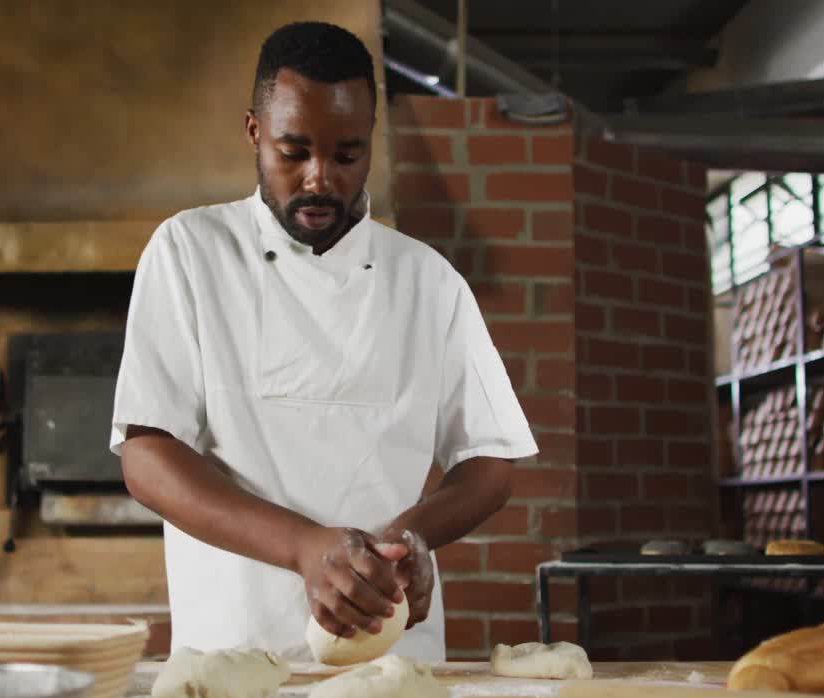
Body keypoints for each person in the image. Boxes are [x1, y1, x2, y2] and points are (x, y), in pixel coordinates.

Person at [110, 20, 537, 663]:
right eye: (293, 151)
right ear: (255, 131)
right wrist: (305, 547)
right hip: (235, 656)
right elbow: (146, 455)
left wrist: (409, 541)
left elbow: (490, 460)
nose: (320, 179)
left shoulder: (427, 279)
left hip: (392, 657)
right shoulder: (190, 251)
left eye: (346, 155)